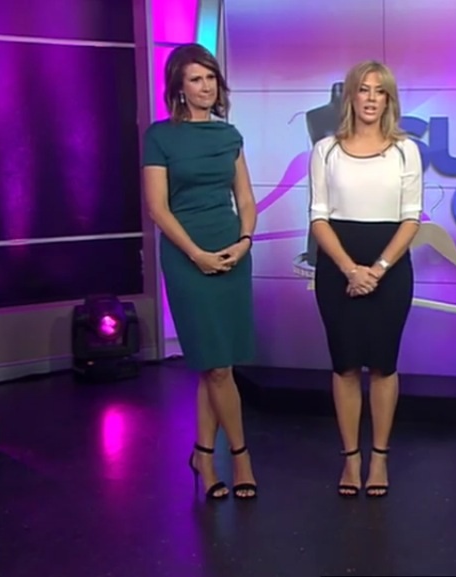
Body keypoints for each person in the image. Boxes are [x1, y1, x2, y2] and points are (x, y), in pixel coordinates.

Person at [141, 43, 259, 500]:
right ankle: (241, 456)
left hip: (232, 253)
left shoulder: (229, 135)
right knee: (217, 366)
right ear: (179, 87)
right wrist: (196, 254)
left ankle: (203, 456)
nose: (206, 86)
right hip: (187, 255)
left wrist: (244, 242)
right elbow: (158, 208)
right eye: (196, 79)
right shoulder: (160, 137)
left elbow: (245, 199)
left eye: (211, 77)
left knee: (217, 364)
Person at [308, 60, 423, 499]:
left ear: (389, 100)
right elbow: (318, 218)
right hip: (338, 268)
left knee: (382, 365)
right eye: (364, 89)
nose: (371, 98)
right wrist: (350, 269)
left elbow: (411, 219)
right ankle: (351, 459)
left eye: (380, 91)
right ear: (351, 97)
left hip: (389, 271)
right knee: (344, 365)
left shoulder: (406, 150)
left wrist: (377, 269)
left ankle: (379, 459)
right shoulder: (326, 150)